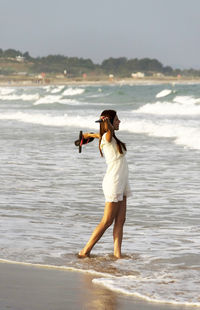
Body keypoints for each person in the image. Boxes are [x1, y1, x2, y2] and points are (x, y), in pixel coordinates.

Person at [78, 110, 131, 259]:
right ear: (110, 123)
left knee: (120, 220)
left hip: (122, 182)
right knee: (107, 221)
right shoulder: (107, 138)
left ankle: (117, 255)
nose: (119, 122)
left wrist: (88, 135)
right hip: (114, 182)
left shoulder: (108, 138)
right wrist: (105, 122)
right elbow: (106, 134)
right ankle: (85, 251)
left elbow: (100, 135)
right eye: (117, 120)